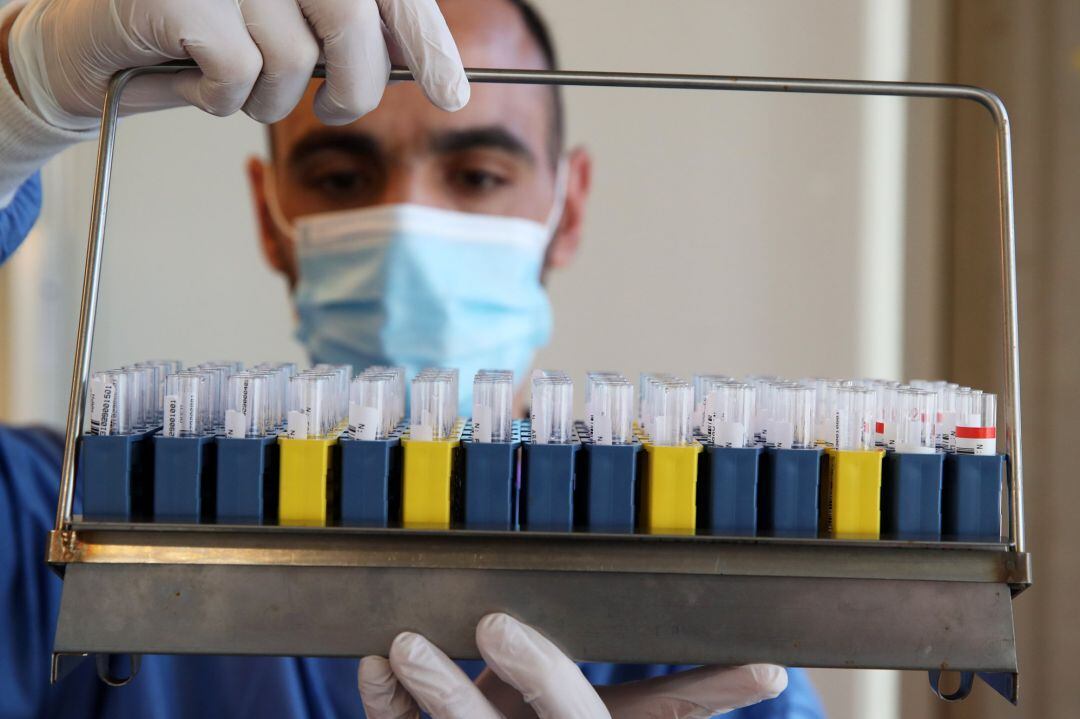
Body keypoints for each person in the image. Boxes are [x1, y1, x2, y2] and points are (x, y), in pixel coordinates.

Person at [0, 0, 826, 717]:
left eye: (475, 173)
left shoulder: (710, 614)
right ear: (268, 213)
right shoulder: (75, 516)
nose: (407, 229)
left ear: (566, 210)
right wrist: (13, 98)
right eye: (340, 176)